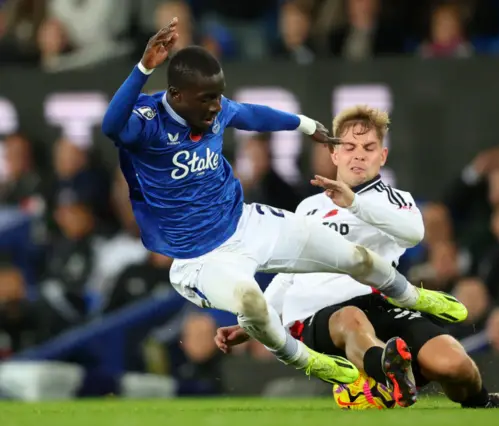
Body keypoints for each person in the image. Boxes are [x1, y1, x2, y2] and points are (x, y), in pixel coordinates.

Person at [101, 18, 466, 386]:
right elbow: (111, 126)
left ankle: (412, 296)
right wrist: (144, 67)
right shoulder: (147, 123)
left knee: (354, 256)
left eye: (218, 95)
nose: (216, 107)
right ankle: (306, 359)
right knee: (251, 303)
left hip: (247, 223)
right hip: (200, 258)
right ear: (177, 96)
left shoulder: (214, 108)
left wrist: (306, 125)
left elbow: (252, 114)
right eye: (207, 99)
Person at [214, 105, 499, 409]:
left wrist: (354, 204)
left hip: (380, 307)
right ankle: (388, 376)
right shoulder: (308, 207)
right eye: (349, 147)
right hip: (316, 317)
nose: (359, 156)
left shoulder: (396, 201)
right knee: (350, 319)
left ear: (382, 156)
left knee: (454, 364)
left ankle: (482, 404)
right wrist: (254, 323)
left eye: (368, 148)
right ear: (333, 152)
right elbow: (289, 274)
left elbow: (413, 233)